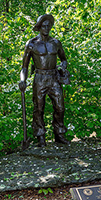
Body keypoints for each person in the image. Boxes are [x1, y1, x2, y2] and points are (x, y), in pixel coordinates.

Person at [19, 14, 70, 147]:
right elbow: (24, 67)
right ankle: (40, 135)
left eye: (49, 26)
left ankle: (59, 133)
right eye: (44, 26)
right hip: (39, 78)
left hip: (54, 78)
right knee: (39, 108)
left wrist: (63, 65)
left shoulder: (56, 43)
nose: (46, 28)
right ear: (39, 27)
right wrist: (22, 80)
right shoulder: (31, 44)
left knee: (60, 107)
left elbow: (63, 59)